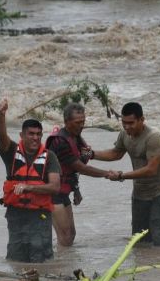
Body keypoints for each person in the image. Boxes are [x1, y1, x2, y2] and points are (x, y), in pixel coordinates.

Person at [93, 102, 160, 247]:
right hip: (139, 194)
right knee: (140, 243)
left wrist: (121, 176)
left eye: (131, 123)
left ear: (142, 120)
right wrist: (90, 154)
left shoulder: (154, 137)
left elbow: (151, 169)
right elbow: (116, 153)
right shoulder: (125, 134)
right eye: (124, 123)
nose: (127, 127)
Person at [0, 98, 61, 262]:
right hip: (16, 213)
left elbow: (55, 187)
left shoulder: (49, 157)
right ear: (22, 135)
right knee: (15, 257)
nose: (35, 138)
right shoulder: (11, 152)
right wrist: (1, 115)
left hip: (40, 215)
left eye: (39, 134)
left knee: (40, 257)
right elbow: (1, 136)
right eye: (31, 134)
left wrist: (28, 187)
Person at [44, 102, 111, 246]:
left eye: (83, 121)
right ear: (67, 122)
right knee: (65, 236)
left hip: (64, 192)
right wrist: (108, 174)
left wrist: (76, 190)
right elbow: (80, 167)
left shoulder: (77, 139)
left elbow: (88, 154)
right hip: (52, 193)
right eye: (77, 122)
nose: (81, 125)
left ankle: (64, 264)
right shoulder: (60, 142)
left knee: (71, 235)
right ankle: (59, 267)